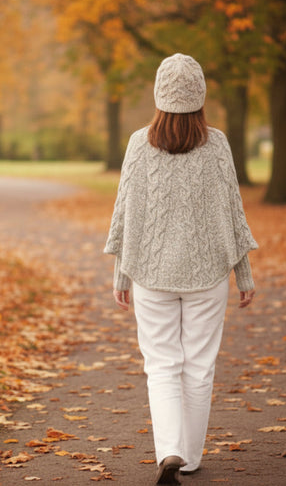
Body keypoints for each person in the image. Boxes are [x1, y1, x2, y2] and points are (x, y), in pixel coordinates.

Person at [104, 53, 258, 485]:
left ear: (159, 96)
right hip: (208, 272)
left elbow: (125, 214)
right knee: (199, 365)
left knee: (161, 363)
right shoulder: (218, 143)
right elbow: (233, 212)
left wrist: (122, 275)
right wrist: (243, 274)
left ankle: (169, 449)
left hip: (151, 271)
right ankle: (187, 459)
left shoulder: (138, 143)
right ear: (199, 97)